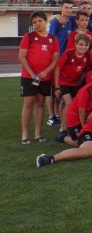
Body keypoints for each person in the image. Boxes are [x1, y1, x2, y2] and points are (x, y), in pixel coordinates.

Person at [19, 11, 60, 145]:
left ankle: (37, 134)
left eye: (39, 21)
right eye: (34, 22)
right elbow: (22, 57)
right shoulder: (29, 36)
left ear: (45, 21)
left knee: (40, 104)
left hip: (44, 78)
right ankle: (25, 135)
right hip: (29, 77)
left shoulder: (53, 39)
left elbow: (55, 59)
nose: (37, 24)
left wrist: (46, 71)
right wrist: (31, 74)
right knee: (28, 104)